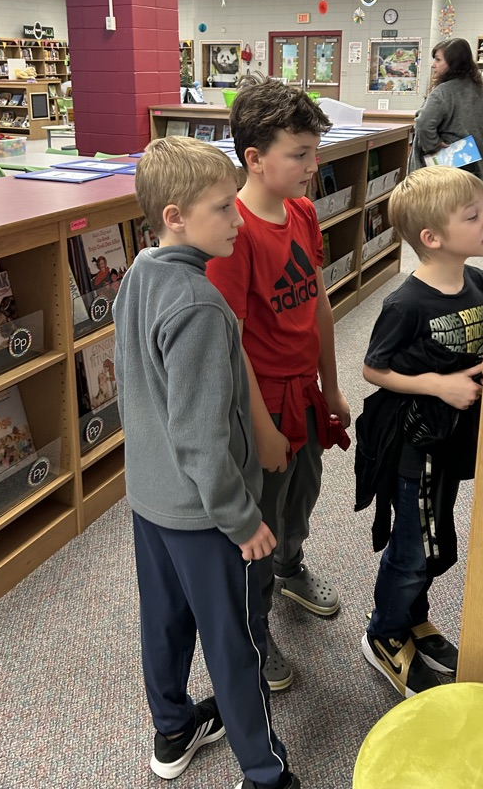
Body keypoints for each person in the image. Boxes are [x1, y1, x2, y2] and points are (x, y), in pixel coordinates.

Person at [113, 136, 299, 789]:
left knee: (161, 622)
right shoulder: (199, 305)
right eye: (223, 209)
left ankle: (173, 728)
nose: (238, 219)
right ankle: (264, 770)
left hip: (150, 500)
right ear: (174, 216)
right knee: (233, 643)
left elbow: (130, 385)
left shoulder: (139, 273)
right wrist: (240, 518)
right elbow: (199, 435)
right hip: (203, 515)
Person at [207, 78, 351, 692]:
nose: (312, 166)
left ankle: (292, 566)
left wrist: (333, 385)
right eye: (300, 154)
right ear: (255, 160)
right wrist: (262, 431)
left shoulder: (302, 210)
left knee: (304, 491)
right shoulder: (231, 233)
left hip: (306, 393)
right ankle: (253, 628)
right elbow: (230, 343)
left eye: (314, 152)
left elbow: (317, 299)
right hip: (261, 404)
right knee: (260, 519)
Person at [356, 167, 483, 698]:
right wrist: (438, 385)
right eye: (474, 216)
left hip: (452, 436)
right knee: (415, 546)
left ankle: (413, 618)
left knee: (437, 535)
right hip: (415, 443)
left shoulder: (477, 280)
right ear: (431, 239)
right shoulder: (406, 303)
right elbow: (374, 368)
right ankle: (384, 634)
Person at [408, 38, 483, 181]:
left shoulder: (443, 91)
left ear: (453, 63)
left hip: (441, 171)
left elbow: (423, 124)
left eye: (438, 60)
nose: (433, 65)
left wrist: (434, 144)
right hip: (472, 170)